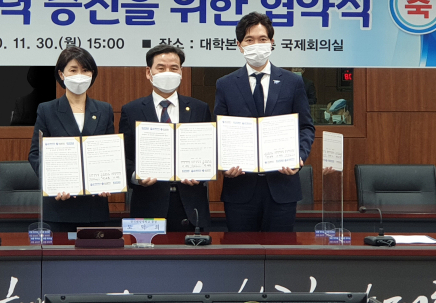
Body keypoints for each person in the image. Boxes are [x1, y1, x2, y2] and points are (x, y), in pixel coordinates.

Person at [214, 12, 315, 232]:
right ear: (239, 45)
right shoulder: (225, 84)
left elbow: (306, 126)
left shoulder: (292, 82)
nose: (256, 45)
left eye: (262, 39)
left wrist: (298, 156)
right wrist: (223, 164)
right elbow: (219, 131)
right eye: (249, 40)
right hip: (240, 188)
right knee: (240, 249)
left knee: (281, 249)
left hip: (282, 186)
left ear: (272, 42)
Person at [119, 44, 212, 231]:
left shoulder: (199, 108)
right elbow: (124, 157)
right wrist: (136, 176)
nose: (168, 73)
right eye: (161, 68)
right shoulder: (131, 110)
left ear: (181, 72)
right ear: (149, 72)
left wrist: (201, 174)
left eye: (174, 68)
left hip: (190, 206)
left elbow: (209, 153)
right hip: (148, 204)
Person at [28, 46, 114, 232]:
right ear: (61, 74)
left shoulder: (104, 110)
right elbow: (36, 154)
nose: (79, 76)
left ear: (92, 74)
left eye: (85, 70)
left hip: (94, 207)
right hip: (58, 206)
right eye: (73, 70)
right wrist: (52, 183)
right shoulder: (47, 110)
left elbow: (110, 153)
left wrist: (109, 181)